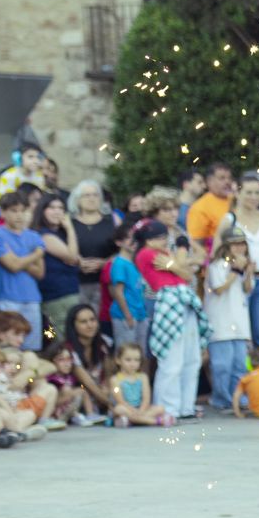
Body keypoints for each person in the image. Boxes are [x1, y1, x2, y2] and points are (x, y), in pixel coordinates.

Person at [137, 220, 207, 420]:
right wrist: (181, 251)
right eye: (156, 237)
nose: (161, 241)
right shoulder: (146, 253)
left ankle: (186, 407)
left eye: (162, 236)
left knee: (191, 358)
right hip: (168, 299)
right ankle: (167, 408)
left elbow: (185, 275)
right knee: (172, 359)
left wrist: (175, 263)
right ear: (147, 240)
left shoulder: (165, 254)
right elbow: (184, 267)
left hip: (184, 297)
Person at [222, 174, 259, 345]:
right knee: (242, 332)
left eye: (257, 193)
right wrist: (235, 263)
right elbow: (218, 250)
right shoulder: (230, 219)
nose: (254, 197)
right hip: (240, 279)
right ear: (238, 193)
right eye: (249, 192)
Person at [0, 192, 46, 351]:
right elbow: (12, 266)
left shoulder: (34, 236)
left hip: (32, 297)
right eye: (14, 210)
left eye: (22, 210)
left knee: (32, 347)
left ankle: (30, 376)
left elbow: (40, 272)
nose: (19, 215)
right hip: (8, 298)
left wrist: (17, 259)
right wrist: (35, 254)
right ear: (3, 212)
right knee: (9, 347)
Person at [204, 226, 255, 411]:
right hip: (221, 321)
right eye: (234, 244)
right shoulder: (217, 265)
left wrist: (248, 272)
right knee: (221, 365)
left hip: (239, 322)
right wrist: (236, 270)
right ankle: (221, 398)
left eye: (242, 244)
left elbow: (248, 289)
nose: (239, 248)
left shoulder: (244, 265)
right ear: (226, 246)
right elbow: (218, 289)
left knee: (240, 364)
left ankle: (238, 397)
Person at [34, 194, 82, 336]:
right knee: (56, 334)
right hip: (55, 295)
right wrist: (70, 228)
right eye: (52, 207)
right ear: (42, 210)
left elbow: (76, 258)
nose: (57, 211)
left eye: (61, 208)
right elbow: (72, 257)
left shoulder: (59, 233)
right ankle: (56, 356)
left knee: (69, 332)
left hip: (68, 291)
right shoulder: (44, 234)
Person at [67, 179, 117, 317]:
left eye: (95, 195)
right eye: (87, 195)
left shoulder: (113, 220)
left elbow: (123, 249)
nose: (92, 199)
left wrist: (105, 262)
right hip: (77, 282)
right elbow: (63, 248)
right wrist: (78, 261)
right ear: (77, 200)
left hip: (106, 282)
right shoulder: (69, 222)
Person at [62, 301, 114, 421]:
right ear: (73, 325)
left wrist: (108, 389)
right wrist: (113, 404)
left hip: (99, 394)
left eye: (92, 320)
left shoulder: (103, 343)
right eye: (83, 322)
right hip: (80, 395)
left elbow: (109, 375)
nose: (90, 325)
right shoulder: (69, 350)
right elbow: (88, 384)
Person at [106, 220, 149, 353]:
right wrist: (127, 315)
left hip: (139, 312)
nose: (133, 241)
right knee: (125, 351)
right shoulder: (119, 263)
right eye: (128, 238)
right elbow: (118, 292)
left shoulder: (134, 261)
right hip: (126, 314)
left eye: (134, 237)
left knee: (140, 352)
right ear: (119, 242)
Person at [108, 343, 173, 427]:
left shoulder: (143, 377)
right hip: (126, 408)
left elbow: (146, 398)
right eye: (128, 360)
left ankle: (131, 421)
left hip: (141, 408)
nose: (133, 363)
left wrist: (141, 411)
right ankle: (156, 421)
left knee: (160, 408)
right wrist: (133, 411)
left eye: (137, 360)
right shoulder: (115, 380)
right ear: (118, 360)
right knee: (118, 409)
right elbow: (120, 400)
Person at [184, 162, 235, 253]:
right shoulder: (200, 207)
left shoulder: (236, 200)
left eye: (229, 178)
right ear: (209, 181)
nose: (227, 182)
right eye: (222, 178)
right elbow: (196, 244)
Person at [0, 142, 46, 212]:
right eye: (30, 157)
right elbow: (1, 203)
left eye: (38, 157)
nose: (36, 161)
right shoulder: (9, 176)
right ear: (18, 158)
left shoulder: (39, 176)